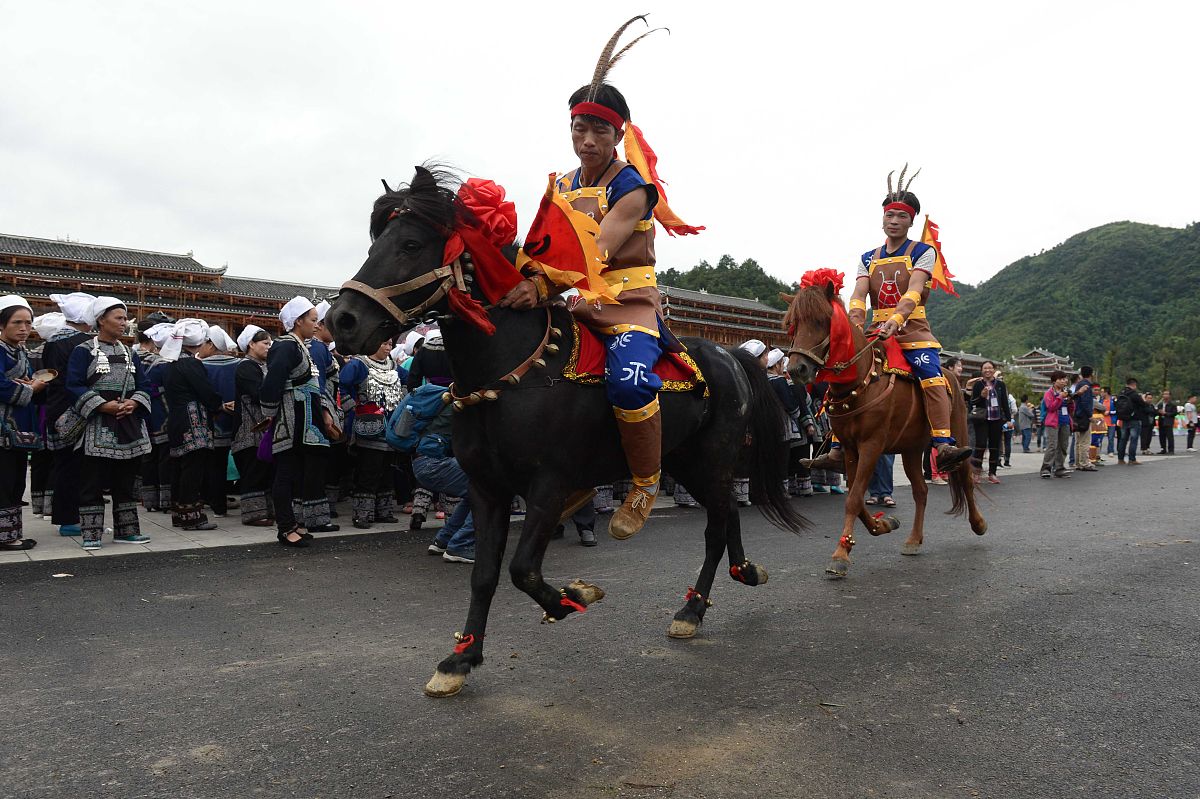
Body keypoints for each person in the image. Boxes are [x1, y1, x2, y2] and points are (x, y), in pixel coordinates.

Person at [498, 42, 702, 540]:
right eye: (579, 129)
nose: (587, 141)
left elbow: (597, 249)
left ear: (619, 135)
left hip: (627, 306)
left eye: (600, 131)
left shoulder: (632, 187)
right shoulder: (561, 185)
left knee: (629, 383)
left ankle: (645, 483)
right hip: (573, 303)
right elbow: (540, 246)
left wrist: (541, 283)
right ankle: (574, 476)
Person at [825, 166, 973, 475]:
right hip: (875, 331)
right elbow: (859, 294)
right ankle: (837, 445)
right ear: (882, 219)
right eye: (889, 215)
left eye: (901, 216)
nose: (894, 221)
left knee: (932, 375)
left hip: (913, 331)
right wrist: (854, 322)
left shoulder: (923, 252)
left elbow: (915, 289)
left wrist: (896, 318)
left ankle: (943, 443)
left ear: (911, 220)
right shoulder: (867, 257)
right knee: (842, 371)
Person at [64, 297, 153, 549]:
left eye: (125, 319)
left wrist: (134, 402)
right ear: (101, 320)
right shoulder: (83, 351)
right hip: (96, 424)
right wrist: (102, 405)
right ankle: (91, 534)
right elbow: (73, 385)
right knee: (91, 481)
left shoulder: (130, 353)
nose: (124, 323)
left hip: (128, 424)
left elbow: (145, 385)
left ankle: (127, 531)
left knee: (126, 481)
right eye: (119, 318)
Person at [261, 296, 339, 547]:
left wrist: (324, 412)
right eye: (313, 320)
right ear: (298, 321)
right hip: (291, 418)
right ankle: (285, 528)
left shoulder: (302, 346)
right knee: (285, 473)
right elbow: (273, 382)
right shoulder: (285, 346)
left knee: (298, 474)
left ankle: (296, 523)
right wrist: (270, 413)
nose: (316, 325)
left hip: (306, 419)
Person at [42, 292, 96, 536]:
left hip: (55, 406)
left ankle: (66, 517)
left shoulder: (53, 341)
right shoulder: (83, 343)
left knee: (64, 465)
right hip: (76, 408)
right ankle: (73, 518)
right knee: (78, 467)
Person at [162, 319, 223, 531]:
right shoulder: (191, 364)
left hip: (176, 419)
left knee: (180, 468)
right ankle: (192, 517)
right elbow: (206, 392)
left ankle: (179, 514)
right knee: (193, 469)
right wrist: (218, 405)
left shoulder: (171, 363)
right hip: (193, 420)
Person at [1, 296, 50, 551]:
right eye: (17, 322)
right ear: (2, 325)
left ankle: (11, 534)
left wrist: (31, 385)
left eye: (28, 323)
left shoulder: (19, 351)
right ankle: (5, 537)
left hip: (19, 427)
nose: (23, 328)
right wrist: (31, 388)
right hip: (2, 426)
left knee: (16, 481)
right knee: (4, 481)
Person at [340, 337, 405, 529]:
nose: (387, 347)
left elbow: (410, 380)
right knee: (368, 470)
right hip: (368, 427)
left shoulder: (394, 366)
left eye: (390, 344)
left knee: (387, 469)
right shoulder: (359, 364)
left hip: (390, 427)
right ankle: (362, 514)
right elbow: (341, 386)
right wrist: (354, 409)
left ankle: (383, 511)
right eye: (384, 343)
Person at [232, 325, 275, 526]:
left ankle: (267, 510)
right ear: (251, 344)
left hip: (264, 427)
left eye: (270, 343)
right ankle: (253, 514)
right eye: (265, 343)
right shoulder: (246, 367)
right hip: (249, 428)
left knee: (265, 469)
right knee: (253, 470)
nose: (269, 347)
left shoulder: (264, 366)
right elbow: (258, 393)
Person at [199, 325, 241, 516]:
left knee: (214, 465)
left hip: (212, 421)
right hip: (236, 421)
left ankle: (217, 505)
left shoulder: (201, 366)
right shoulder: (239, 364)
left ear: (211, 344)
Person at [136, 314, 175, 513]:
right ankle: (165, 499)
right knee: (164, 456)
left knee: (147, 456)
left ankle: (148, 499)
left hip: (140, 409)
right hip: (162, 410)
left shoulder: (130, 356)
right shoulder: (161, 362)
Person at [967, 360, 1010, 483]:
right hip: (982, 419)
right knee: (980, 446)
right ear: (982, 370)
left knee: (994, 446)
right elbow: (972, 402)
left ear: (993, 370)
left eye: (990, 368)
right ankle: (976, 473)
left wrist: (1008, 419)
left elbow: (1005, 403)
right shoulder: (978, 385)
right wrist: (981, 396)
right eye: (985, 368)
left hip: (996, 419)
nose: (987, 370)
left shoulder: (1000, 385)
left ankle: (992, 473)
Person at [1040, 370, 1073, 478]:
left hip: (1065, 421)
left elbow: (1071, 410)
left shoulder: (1066, 392)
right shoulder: (1049, 393)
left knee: (1063, 446)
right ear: (1054, 381)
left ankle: (1059, 468)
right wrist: (1060, 397)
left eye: (1065, 379)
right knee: (1052, 446)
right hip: (1053, 422)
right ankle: (1046, 469)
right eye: (1061, 379)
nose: (1064, 381)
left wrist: (1070, 401)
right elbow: (1051, 407)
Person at [1069, 366, 1098, 473]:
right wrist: (1090, 415)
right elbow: (1086, 402)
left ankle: (1078, 462)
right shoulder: (1086, 385)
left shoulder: (1078, 384)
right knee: (1085, 441)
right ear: (1091, 374)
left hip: (1077, 415)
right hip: (1084, 416)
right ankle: (1085, 463)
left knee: (1078, 441)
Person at [1115, 377, 1144, 465]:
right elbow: (1142, 404)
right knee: (1133, 439)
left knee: (1123, 439)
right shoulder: (1134, 394)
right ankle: (1132, 459)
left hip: (1123, 419)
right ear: (1134, 385)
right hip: (1134, 419)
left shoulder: (1121, 393)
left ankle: (1120, 459)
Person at [1155, 389, 1179, 455]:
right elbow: (1157, 412)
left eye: (1166, 394)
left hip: (1168, 421)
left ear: (1169, 396)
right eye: (1164, 394)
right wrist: (1158, 412)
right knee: (1161, 436)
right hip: (1161, 421)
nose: (1165, 395)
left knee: (1169, 436)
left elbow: (1174, 413)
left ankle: (1171, 450)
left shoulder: (1172, 404)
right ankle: (1163, 449)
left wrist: (1165, 413)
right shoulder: (1160, 404)